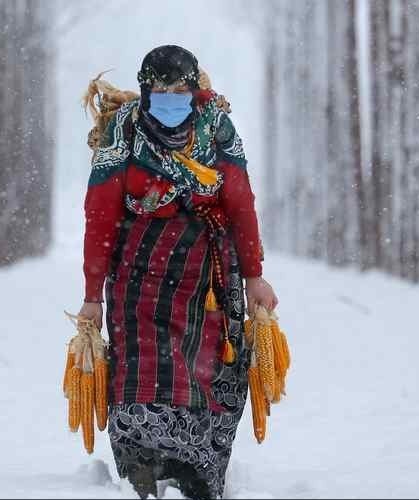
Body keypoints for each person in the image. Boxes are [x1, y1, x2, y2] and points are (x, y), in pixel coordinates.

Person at [78, 45, 278, 500]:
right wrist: (93, 294)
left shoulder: (217, 128)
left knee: (207, 364)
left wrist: (254, 275)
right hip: (136, 268)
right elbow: (100, 215)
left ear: (194, 89)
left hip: (206, 273)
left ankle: (197, 468)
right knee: (139, 361)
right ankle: (140, 463)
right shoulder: (122, 133)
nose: (171, 97)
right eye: (160, 89)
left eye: (179, 89)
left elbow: (241, 204)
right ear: (145, 91)